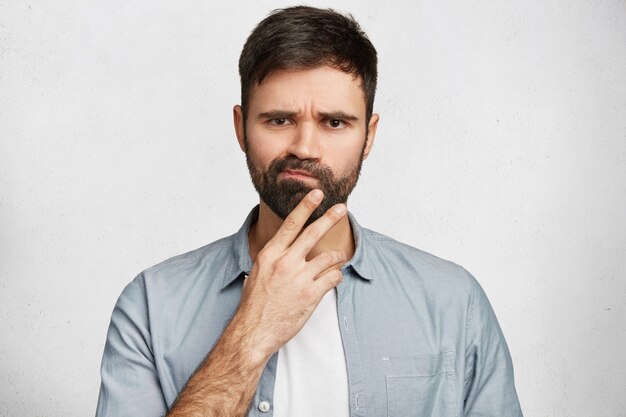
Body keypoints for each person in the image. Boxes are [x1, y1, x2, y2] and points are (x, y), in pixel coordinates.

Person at [96, 6, 523, 417]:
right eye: (279, 120)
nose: (304, 147)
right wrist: (251, 335)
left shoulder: (453, 303)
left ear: (368, 136)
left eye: (334, 122)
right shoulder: (152, 306)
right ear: (241, 129)